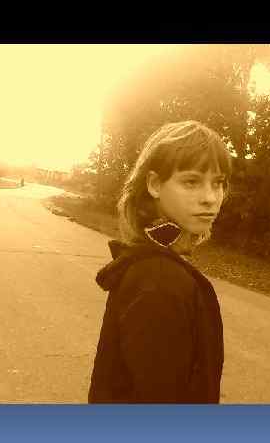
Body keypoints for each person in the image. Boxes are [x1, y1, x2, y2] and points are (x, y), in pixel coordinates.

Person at [88, 120, 232, 403]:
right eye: (191, 182)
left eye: (218, 183)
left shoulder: (151, 264)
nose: (210, 198)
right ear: (154, 184)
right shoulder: (160, 281)